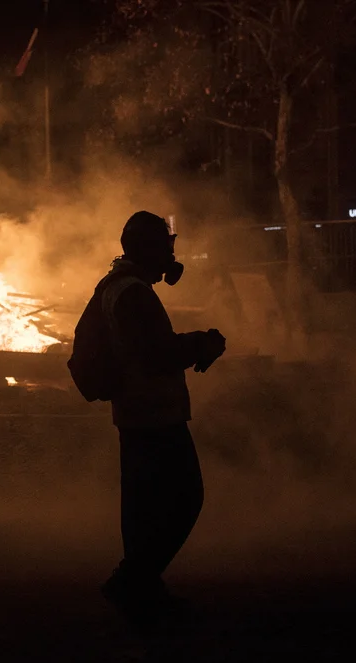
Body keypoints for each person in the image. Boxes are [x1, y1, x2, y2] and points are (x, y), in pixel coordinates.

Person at [96, 211, 226, 634]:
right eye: (166, 248)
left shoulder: (116, 286)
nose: (172, 256)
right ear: (148, 249)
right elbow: (154, 354)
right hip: (155, 415)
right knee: (186, 498)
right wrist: (200, 343)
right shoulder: (134, 293)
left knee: (142, 508)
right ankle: (133, 582)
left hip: (134, 413)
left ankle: (142, 590)